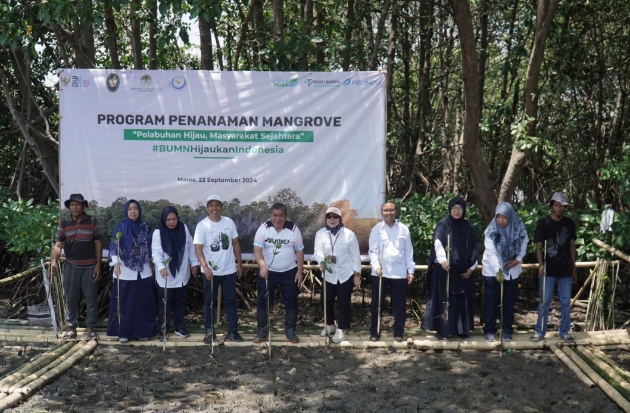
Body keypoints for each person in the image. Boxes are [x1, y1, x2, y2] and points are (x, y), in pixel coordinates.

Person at [422, 197, 478, 341]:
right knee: (444, 299)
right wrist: (443, 260)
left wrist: (472, 268)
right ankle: (443, 330)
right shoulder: (443, 225)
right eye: (454, 208)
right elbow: (438, 243)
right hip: (445, 270)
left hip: (463, 272)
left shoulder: (468, 227)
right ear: (450, 209)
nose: (457, 211)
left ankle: (461, 329)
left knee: (461, 301)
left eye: (460, 208)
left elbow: (474, 249)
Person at [51, 193, 102, 340]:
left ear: (83, 206)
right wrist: (54, 261)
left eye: (78, 204)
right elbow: (58, 244)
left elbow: (98, 243)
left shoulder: (92, 221)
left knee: (91, 298)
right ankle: (71, 329)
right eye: (72, 204)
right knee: (71, 298)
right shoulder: (64, 222)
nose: (74, 207)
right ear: (69, 207)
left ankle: (90, 329)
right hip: (71, 266)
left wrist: (98, 264)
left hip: (90, 266)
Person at [194, 195, 244, 343]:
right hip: (210, 272)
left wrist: (239, 264)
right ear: (207, 208)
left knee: (231, 301)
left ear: (221, 207)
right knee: (209, 301)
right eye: (211, 205)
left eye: (217, 205)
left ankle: (233, 331)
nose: (214, 208)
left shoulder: (229, 222)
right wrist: (205, 267)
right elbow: (198, 248)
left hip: (228, 270)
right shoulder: (202, 225)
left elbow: (235, 243)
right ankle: (209, 332)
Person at [252, 203, 305, 344]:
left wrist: (300, 271)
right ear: (270, 216)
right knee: (263, 300)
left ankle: (290, 331)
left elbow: (299, 250)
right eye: (275, 215)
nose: (278, 218)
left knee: (291, 300)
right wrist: (262, 266)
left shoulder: (293, 229)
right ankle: (263, 330)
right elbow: (257, 250)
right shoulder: (264, 228)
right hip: (268, 272)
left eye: (281, 215)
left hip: (289, 271)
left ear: (286, 216)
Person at [530, 192, 577, 344]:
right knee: (544, 301)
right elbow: (538, 246)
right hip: (548, 270)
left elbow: (571, 246)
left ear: (565, 208)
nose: (559, 208)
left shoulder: (569, 224)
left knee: (565, 302)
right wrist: (540, 265)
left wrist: (573, 268)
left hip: (565, 270)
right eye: (556, 205)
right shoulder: (543, 223)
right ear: (551, 206)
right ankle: (539, 332)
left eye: (562, 206)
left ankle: (564, 332)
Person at [107, 199, 156, 342]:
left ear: (139, 210)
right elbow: (113, 246)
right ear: (126, 211)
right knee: (125, 303)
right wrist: (115, 263)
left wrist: (152, 263)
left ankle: (144, 332)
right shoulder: (120, 227)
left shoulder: (146, 227)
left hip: (144, 270)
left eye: (135, 208)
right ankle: (124, 333)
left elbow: (152, 247)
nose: (133, 211)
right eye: (130, 209)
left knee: (143, 302)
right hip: (124, 271)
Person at [313, 206, 362, 343]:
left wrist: (357, 274)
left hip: (345, 273)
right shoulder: (320, 234)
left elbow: (355, 256)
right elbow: (318, 251)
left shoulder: (349, 234)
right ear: (326, 219)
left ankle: (341, 330)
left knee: (343, 302)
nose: (332, 219)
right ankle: (330, 325)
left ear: (340, 219)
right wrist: (321, 261)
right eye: (329, 217)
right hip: (328, 273)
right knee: (326, 301)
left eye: (335, 217)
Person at [368, 202, 415, 343]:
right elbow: (373, 251)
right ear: (381, 212)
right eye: (386, 210)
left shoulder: (403, 229)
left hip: (399, 272)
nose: (389, 213)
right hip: (380, 273)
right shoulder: (376, 229)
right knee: (377, 303)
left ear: (396, 211)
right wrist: (376, 267)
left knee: (400, 304)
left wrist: (410, 270)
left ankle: (399, 333)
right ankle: (375, 332)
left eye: (391, 210)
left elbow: (408, 252)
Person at [482, 202, 528, 342]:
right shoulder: (491, 230)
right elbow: (491, 253)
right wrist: (498, 270)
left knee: (509, 300)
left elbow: (524, 242)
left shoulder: (519, 227)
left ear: (510, 217)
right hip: (492, 269)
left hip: (512, 267)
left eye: (504, 218)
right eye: (498, 217)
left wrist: (518, 259)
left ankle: (507, 329)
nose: (500, 221)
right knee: (491, 300)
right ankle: (489, 329)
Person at [152, 206, 200, 342]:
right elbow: (156, 252)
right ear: (163, 220)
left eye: (174, 219)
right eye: (168, 219)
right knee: (164, 304)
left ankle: (180, 327)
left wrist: (194, 263)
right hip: (165, 275)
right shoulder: (158, 232)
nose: (171, 222)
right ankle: (163, 330)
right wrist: (161, 267)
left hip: (182, 273)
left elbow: (190, 246)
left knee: (180, 302)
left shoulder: (183, 228)